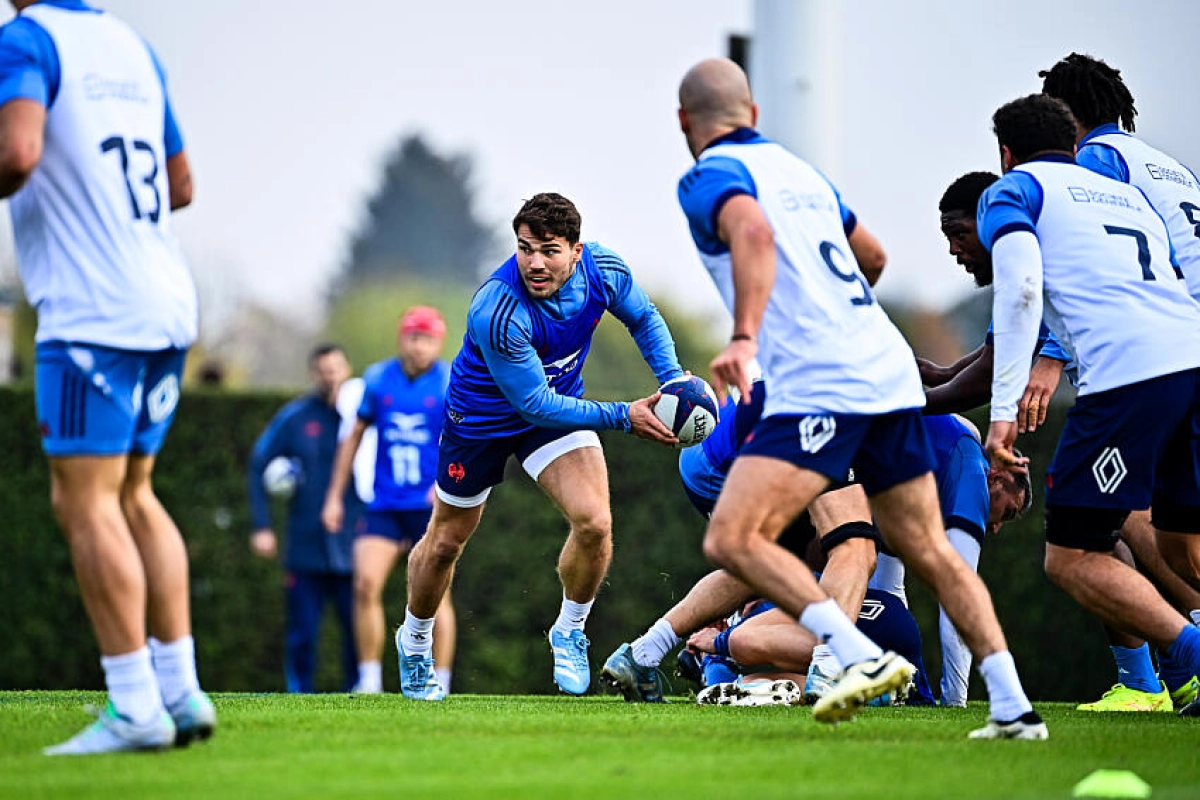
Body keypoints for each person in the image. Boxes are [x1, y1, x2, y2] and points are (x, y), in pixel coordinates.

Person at [673, 58, 1043, 738]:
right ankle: (1014, 706)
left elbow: (752, 234)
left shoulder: (707, 177)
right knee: (929, 548)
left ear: (684, 123)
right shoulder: (803, 174)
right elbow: (871, 256)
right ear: (753, 116)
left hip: (820, 380)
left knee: (733, 535)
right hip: (886, 366)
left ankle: (854, 653)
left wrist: (747, 335)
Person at [0, 0, 214, 754]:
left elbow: (17, 154)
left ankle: (134, 706)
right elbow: (181, 184)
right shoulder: (130, 44)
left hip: (92, 311)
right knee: (135, 491)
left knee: (85, 504)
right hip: (165, 300)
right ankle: (181, 691)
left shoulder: (24, 40)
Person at [394, 193, 684, 700]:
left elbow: (644, 318)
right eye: (525, 248)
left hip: (555, 410)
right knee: (445, 543)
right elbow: (532, 404)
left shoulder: (604, 270)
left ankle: (570, 629)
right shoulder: (499, 308)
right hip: (481, 421)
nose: (534, 262)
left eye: (549, 250)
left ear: (576, 250)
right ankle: (415, 641)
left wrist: (674, 380)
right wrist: (624, 416)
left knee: (595, 522)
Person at [935, 169, 1200, 712]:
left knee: (1087, 542)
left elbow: (990, 370)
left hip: (1135, 377)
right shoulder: (1115, 195)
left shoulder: (1049, 203)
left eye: (961, 234)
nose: (957, 251)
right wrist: (914, 378)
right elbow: (982, 361)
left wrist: (1045, 364)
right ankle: (1159, 679)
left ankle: (1173, 670)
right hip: (1176, 363)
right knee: (1153, 534)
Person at [1041, 53, 1200, 636]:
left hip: (1158, 358)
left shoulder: (1094, 162)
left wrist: (1050, 355)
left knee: (1099, 530)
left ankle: (1155, 677)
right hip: (1187, 348)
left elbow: (1094, 257)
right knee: (1182, 543)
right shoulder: (1168, 165)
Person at [601, 379, 881, 705]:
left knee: (767, 561)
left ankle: (644, 653)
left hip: (715, 448)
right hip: (791, 416)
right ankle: (828, 667)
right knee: (854, 544)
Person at [322, 307, 454, 695]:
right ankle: (368, 680)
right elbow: (354, 437)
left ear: (439, 342)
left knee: (435, 595)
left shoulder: (449, 380)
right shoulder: (379, 378)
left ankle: (441, 681)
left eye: (427, 338)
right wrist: (334, 497)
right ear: (401, 339)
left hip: (431, 507)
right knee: (364, 584)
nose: (419, 346)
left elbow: (467, 439)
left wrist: (447, 485)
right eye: (413, 337)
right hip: (384, 503)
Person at [866, 414, 1032, 707]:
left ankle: (903, 685)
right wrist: (955, 699)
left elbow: (887, 593)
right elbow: (959, 601)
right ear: (998, 478)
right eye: (1007, 512)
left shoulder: (948, 462)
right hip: (857, 446)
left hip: (854, 451)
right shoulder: (975, 475)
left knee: (881, 602)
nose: (995, 528)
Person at [247, 344, 360, 693]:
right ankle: (299, 693)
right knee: (303, 631)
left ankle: (359, 690)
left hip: (354, 542)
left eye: (336, 369)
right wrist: (262, 526)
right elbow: (258, 464)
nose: (331, 377)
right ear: (314, 374)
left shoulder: (363, 416)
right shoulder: (294, 418)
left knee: (357, 628)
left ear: (348, 370)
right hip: (305, 544)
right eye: (324, 371)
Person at [921, 172, 1069, 427]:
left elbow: (988, 375)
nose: (953, 249)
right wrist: (943, 374)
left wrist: (899, 408)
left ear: (991, 220)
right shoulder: (1037, 250)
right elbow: (997, 352)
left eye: (960, 234)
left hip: (1129, 386)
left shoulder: (1030, 263)